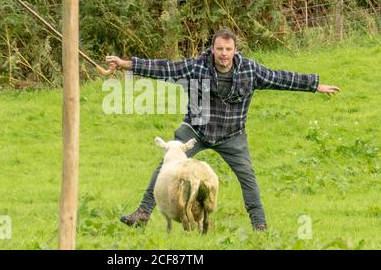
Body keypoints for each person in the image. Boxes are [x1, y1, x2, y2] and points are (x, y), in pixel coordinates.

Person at [105, 29, 340, 231]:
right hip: (196, 130)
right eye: (219, 49)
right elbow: (165, 68)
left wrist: (314, 85)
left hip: (232, 135)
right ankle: (143, 214)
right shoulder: (197, 66)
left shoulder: (250, 70)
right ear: (213, 49)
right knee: (167, 163)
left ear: (235, 50)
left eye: (228, 49)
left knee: (247, 177)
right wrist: (127, 64)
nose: (224, 54)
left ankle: (259, 225)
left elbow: (280, 78)